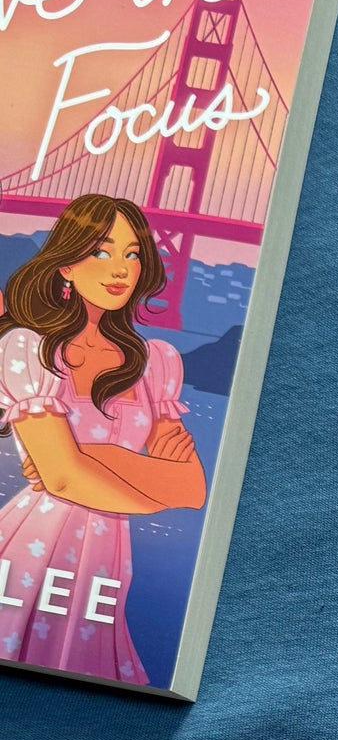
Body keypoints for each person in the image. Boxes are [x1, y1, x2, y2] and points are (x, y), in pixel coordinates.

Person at [0, 193, 206, 683]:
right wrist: (151, 484)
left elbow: (193, 489)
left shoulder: (154, 363)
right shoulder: (31, 348)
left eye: (132, 253)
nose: (121, 268)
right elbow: (65, 479)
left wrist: (97, 455)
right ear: (66, 265)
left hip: (109, 560)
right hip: (33, 546)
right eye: (101, 250)